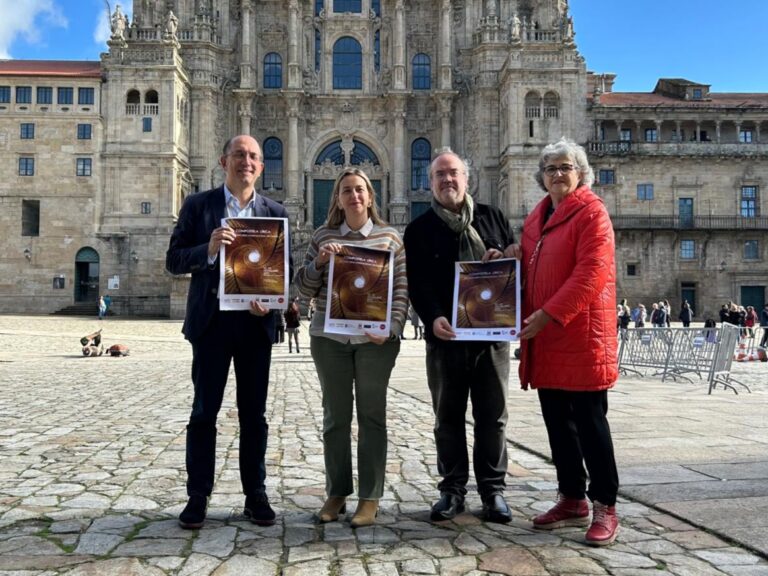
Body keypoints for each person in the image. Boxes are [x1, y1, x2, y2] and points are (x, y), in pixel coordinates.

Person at [166, 135, 291, 530]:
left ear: (261, 166)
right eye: (239, 155)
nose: (246, 162)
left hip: (254, 326)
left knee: (254, 415)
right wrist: (208, 249)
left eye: (253, 156)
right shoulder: (198, 206)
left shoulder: (275, 213)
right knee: (204, 412)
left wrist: (270, 301)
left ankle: (255, 494)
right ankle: (197, 496)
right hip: (212, 325)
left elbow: (280, 273)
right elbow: (173, 260)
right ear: (224, 161)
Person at [505, 138, 620, 546]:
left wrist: (549, 313)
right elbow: (534, 265)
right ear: (542, 176)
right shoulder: (536, 218)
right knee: (558, 424)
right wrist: (509, 259)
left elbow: (592, 272)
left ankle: (605, 505)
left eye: (565, 167)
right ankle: (571, 497)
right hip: (547, 337)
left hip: (581, 335)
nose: (557, 173)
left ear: (581, 173)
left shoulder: (593, 213)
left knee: (590, 425)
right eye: (551, 168)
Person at [404, 149, 515, 524]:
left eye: (453, 173)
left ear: (467, 178)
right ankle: (451, 490)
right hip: (446, 339)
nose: (447, 180)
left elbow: (513, 270)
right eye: (440, 175)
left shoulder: (493, 218)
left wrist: (505, 258)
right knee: (447, 418)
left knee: (493, 417)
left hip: (491, 338)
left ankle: (493, 491)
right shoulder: (418, 230)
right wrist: (433, 317)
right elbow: (418, 283)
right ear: (430, 183)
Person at [294, 167, 408, 528]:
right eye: (347, 191)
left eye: (360, 190)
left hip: (375, 343)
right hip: (330, 339)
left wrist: (391, 329)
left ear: (370, 196)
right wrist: (319, 262)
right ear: (338, 200)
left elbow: (401, 289)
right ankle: (337, 492)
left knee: (372, 417)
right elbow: (304, 288)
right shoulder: (322, 236)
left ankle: (370, 497)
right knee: (335, 418)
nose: (354, 196)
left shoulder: (390, 237)